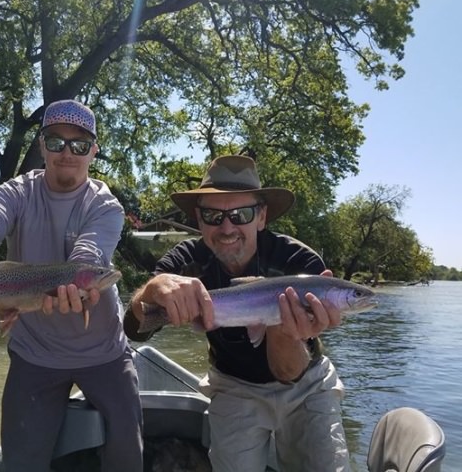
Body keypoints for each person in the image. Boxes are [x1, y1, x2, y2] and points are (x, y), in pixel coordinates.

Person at [0, 99, 143, 472]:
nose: (67, 152)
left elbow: (88, 257)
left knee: (127, 458)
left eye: (80, 144)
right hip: (34, 354)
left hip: (105, 353)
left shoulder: (106, 207)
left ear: (94, 151)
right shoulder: (16, 193)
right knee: (21, 465)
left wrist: (81, 276)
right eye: (56, 142)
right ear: (41, 146)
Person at [124, 155, 350, 472]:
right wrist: (150, 291)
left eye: (240, 214)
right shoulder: (185, 262)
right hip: (232, 385)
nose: (227, 227)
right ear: (199, 220)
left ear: (261, 217)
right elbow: (136, 330)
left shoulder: (299, 264)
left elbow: (290, 372)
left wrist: (283, 330)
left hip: (306, 385)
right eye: (213, 216)